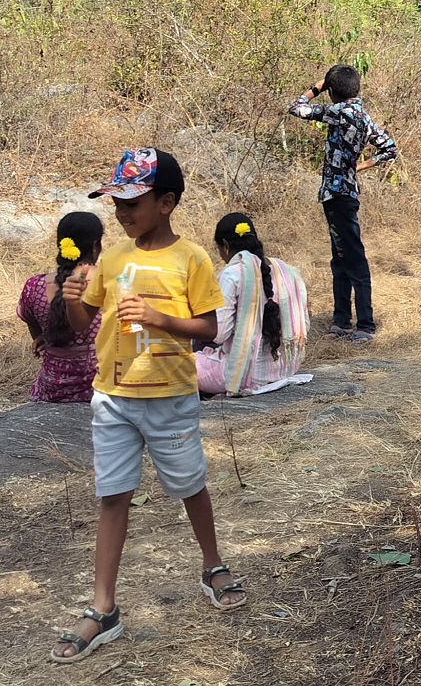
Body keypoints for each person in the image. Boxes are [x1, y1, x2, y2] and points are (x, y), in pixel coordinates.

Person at [53, 148, 246, 663]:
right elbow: (81, 323)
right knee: (112, 497)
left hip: (170, 398)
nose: (120, 213)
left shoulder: (192, 259)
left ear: (167, 202)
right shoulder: (112, 258)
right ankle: (103, 608)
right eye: (116, 203)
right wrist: (74, 297)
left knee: (189, 485)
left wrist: (163, 319)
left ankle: (212, 565)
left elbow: (209, 328)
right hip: (113, 398)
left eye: (132, 202)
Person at [291, 64, 400, 344]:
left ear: (333, 91)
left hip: (337, 195)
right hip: (345, 193)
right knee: (341, 258)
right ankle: (341, 322)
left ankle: (364, 325)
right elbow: (389, 148)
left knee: (352, 258)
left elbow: (298, 107)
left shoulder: (339, 112)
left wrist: (317, 87)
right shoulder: (362, 115)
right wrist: (358, 167)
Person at [195, 213, 311, 397]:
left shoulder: (232, 274)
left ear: (225, 246)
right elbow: (304, 324)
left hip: (245, 375)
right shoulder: (289, 272)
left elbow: (219, 333)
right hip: (286, 368)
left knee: (177, 362)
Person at [18, 211, 105, 403]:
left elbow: (32, 322)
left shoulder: (34, 286)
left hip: (51, 391)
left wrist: (46, 337)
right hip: (99, 388)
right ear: (96, 246)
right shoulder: (109, 280)